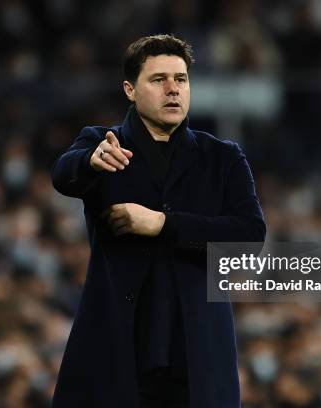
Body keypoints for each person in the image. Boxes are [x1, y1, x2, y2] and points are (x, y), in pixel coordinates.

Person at [51, 34, 266, 408]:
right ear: (130, 90)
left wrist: (163, 224)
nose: (173, 90)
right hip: (117, 348)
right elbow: (64, 174)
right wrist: (89, 160)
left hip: (196, 353)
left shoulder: (223, 157)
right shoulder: (104, 144)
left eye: (180, 80)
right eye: (158, 80)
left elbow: (249, 238)